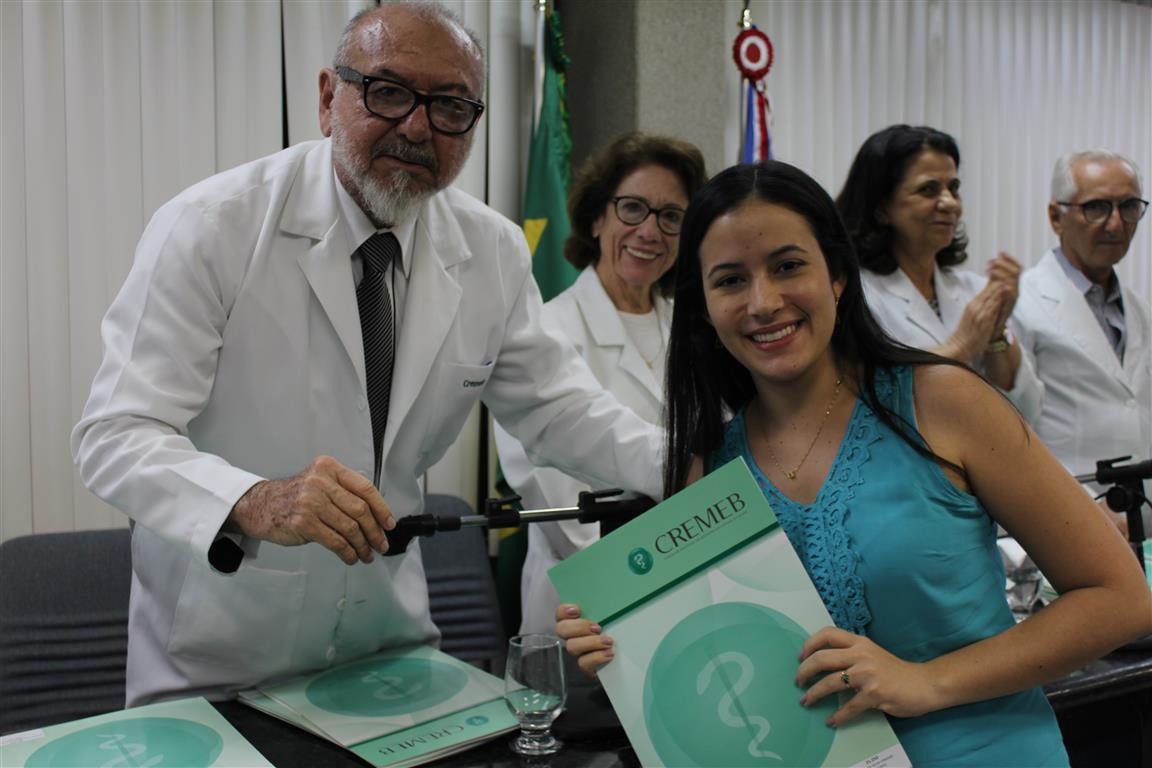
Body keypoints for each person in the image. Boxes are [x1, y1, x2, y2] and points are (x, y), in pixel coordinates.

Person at [71, 3, 663, 707]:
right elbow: (115, 436)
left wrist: (691, 460)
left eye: (451, 107)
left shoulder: (492, 251)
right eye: (387, 92)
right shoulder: (211, 227)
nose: (417, 127)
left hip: (386, 647)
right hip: (220, 656)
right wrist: (256, 500)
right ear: (329, 99)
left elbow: (559, 409)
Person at [557, 161, 1151, 767]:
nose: (763, 302)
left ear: (838, 275)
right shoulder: (712, 468)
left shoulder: (943, 402)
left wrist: (928, 681)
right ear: (704, 308)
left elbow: (1120, 598)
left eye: (788, 267)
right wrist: (628, 649)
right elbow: (727, 671)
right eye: (731, 280)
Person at [494, 133, 706, 635]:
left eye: (671, 216)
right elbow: (566, 516)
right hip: (590, 605)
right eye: (632, 208)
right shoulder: (546, 332)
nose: (649, 231)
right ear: (596, 219)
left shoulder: (700, 334)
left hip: (698, 590)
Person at [836, 124, 1041, 421]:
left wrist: (996, 335)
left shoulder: (973, 289)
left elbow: (1028, 410)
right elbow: (865, 405)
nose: (949, 203)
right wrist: (959, 348)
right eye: (928, 190)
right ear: (881, 209)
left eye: (953, 188)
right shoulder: (853, 296)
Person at [1014, 150, 1150, 505]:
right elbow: (1013, 432)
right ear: (1056, 217)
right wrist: (1085, 511)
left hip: (1138, 510)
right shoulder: (1020, 303)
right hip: (1064, 512)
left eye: (1129, 206)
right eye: (1096, 207)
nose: (1116, 224)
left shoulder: (1140, 310)